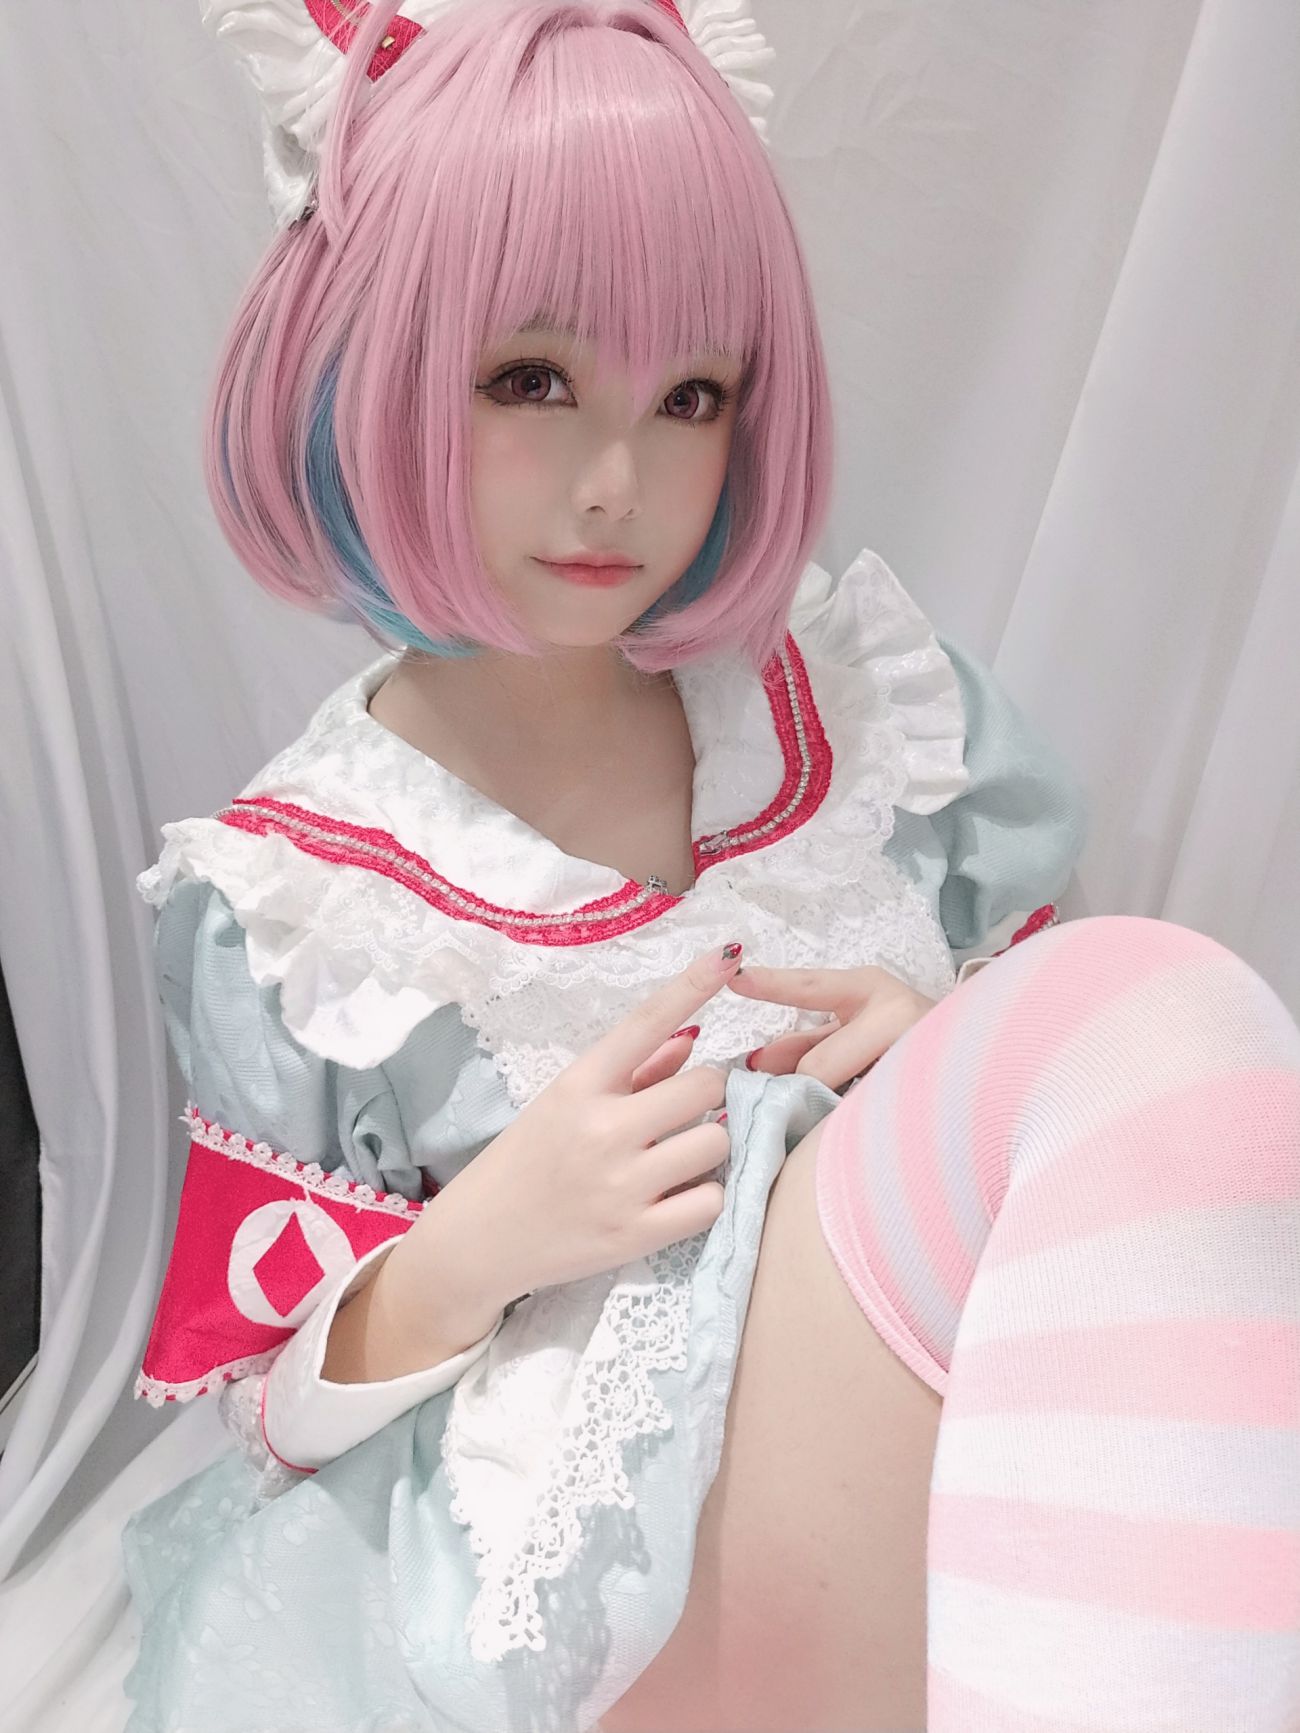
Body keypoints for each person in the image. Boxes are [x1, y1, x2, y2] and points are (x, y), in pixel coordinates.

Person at [121, 2, 1300, 1728]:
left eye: (690, 397)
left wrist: (939, 1050)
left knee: (1153, 1028)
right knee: (1154, 1004)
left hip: (950, 1487)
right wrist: (480, 1243)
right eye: (531, 380)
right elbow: (263, 1424)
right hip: (592, 1587)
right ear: (363, 360)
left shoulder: (862, 713)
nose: (619, 480)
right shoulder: (306, 904)